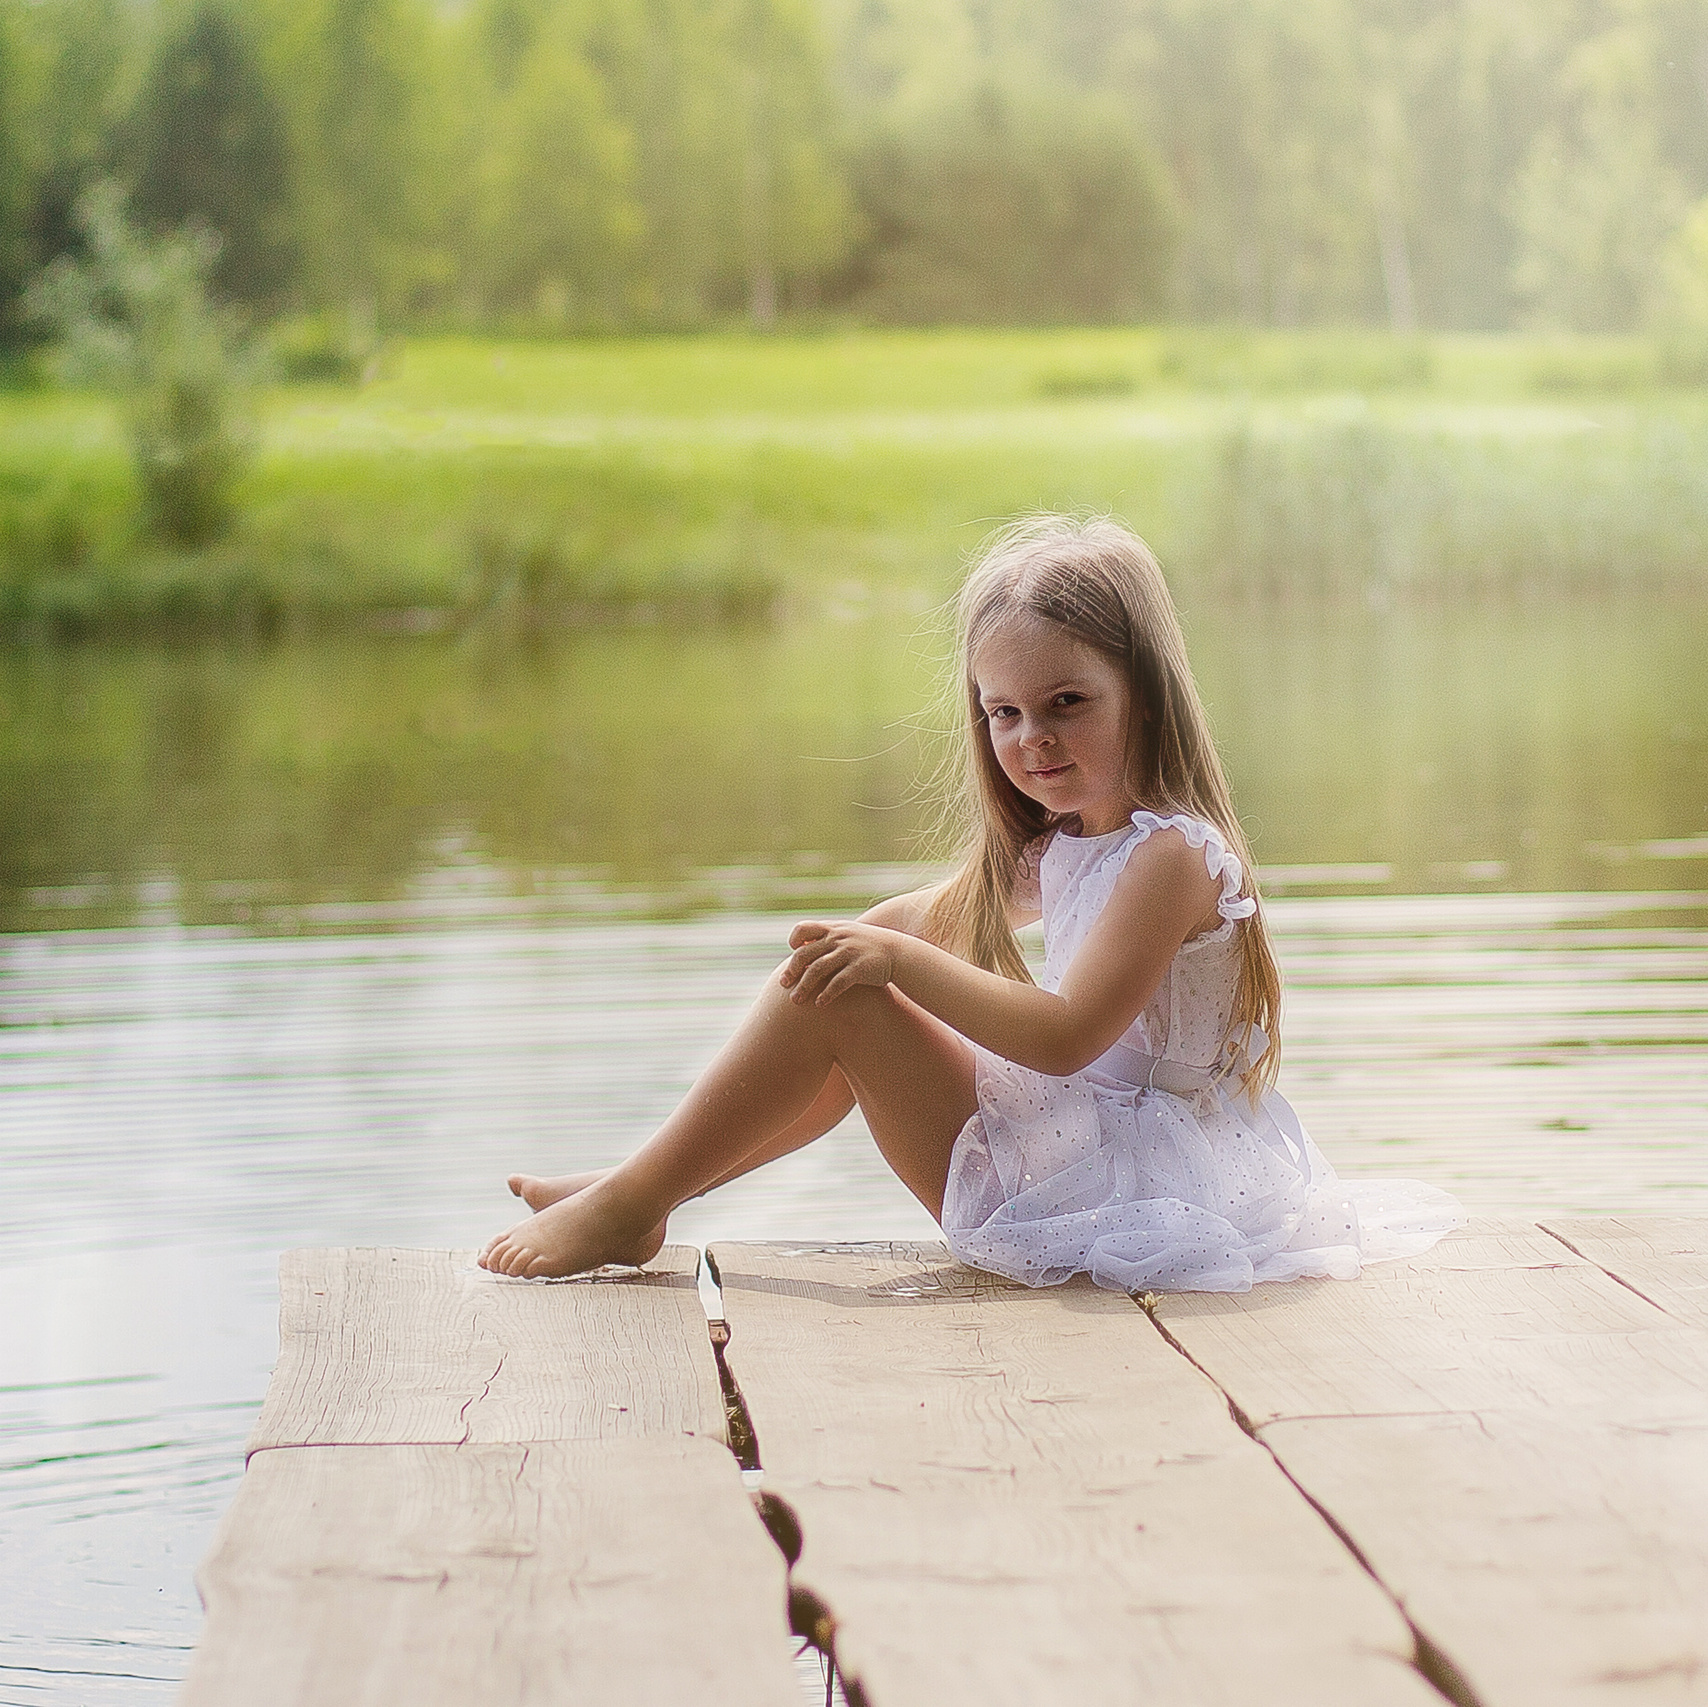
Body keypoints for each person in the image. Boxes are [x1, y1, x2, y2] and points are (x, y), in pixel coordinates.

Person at [480, 515, 1462, 1289]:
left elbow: (1066, 1038)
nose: (1033, 737)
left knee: (848, 994)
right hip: (1090, 1157)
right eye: (1005, 712)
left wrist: (893, 965)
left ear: (1146, 693)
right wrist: (871, 942)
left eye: (1067, 702)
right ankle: (644, 1188)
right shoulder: (1070, 842)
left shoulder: (1172, 856)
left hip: (1117, 1190)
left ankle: (635, 1198)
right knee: (837, 977)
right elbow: (903, 925)